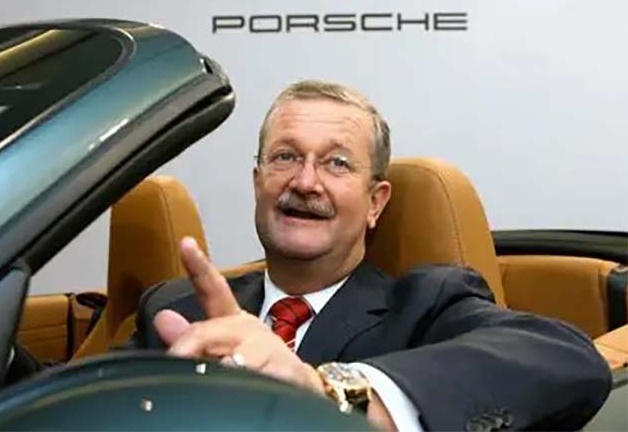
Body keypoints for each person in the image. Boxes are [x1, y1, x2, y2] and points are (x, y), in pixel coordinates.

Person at [132, 80, 611, 431]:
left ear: (376, 203)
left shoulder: (424, 304)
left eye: (337, 163)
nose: (305, 181)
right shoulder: (179, 310)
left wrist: (329, 393)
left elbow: (566, 358)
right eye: (286, 157)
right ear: (258, 182)